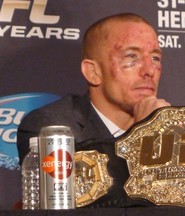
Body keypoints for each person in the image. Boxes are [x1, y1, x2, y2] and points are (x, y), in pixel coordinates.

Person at [17, 13, 170, 207]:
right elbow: (91, 203)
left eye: (155, 58)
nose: (149, 70)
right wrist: (143, 138)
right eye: (131, 56)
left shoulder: (173, 128)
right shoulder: (53, 127)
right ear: (93, 72)